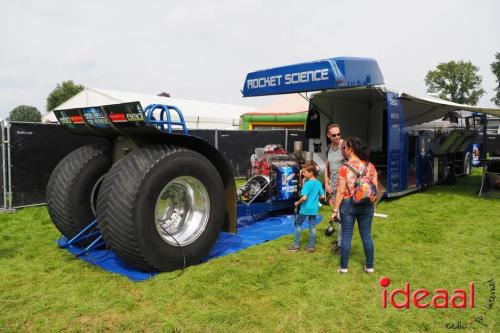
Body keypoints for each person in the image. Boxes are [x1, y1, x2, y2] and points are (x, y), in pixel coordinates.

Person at [332, 137, 378, 273]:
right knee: (367, 236)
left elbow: (340, 191)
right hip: (367, 204)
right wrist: (372, 205)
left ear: (351, 149)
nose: (344, 150)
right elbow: (375, 188)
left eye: (345, 148)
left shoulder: (344, 167)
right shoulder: (370, 166)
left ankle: (344, 267)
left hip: (348, 204)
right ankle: (370, 266)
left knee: (346, 235)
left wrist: (335, 209)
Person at [288, 163, 325, 253]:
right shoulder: (318, 183)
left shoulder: (307, 184)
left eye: (304, 172)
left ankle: (296, 245)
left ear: (311, 172)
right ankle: (311, 247)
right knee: (312, 227)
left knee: (297, 224)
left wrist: (297, 202)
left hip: (305, 209)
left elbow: (304, 197)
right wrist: (316, 199)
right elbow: (323, 196)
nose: (303, 174)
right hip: (314, 209)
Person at [324, 123, 347, 254]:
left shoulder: (345, 147)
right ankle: (340, 241)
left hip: (344, 189)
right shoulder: (328, 149)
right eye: (334, 135)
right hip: (332, 188)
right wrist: (326, 183)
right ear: (328, 135)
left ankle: (341, 245)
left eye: (339, 134)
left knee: (342, 216)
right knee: (338, 215)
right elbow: (327, 166)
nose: (337, 137)